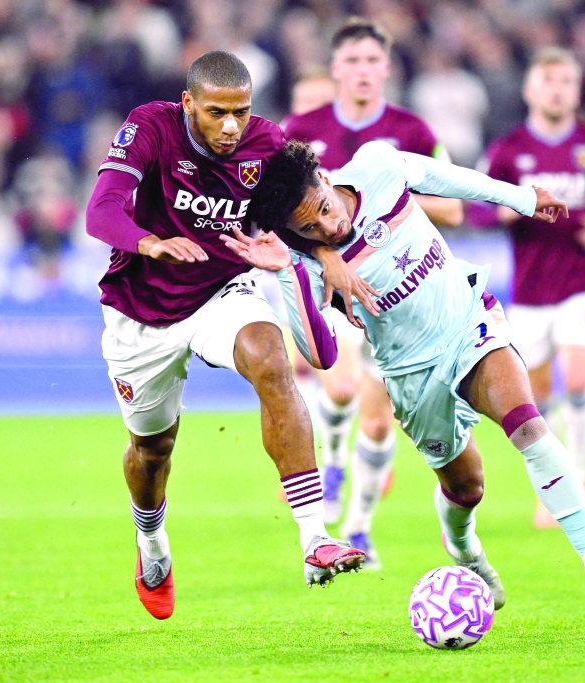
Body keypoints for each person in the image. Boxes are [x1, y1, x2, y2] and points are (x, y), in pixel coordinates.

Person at [224, 139, 585, 614]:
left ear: (324, 178)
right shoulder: (304, 261)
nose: (329, 226)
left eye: (324, 209)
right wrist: (288, 273)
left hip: (468, 324)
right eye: (310, 227)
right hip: (410, 373)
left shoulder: (377, 166)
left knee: (528, 425)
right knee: (468, 487)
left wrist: (522, 198)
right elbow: (320, 355)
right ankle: (464, 546)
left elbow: (451, 179)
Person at [84, 51, 376, 620]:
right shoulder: (150, 127)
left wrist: (324, 256)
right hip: (140, 312)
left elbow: (306, 211)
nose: (230, 127)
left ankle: (314, 537)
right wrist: (149, 242)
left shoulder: (267, 145)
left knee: (270, 358)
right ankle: (152, 544)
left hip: (223, 289)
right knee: (152, 449)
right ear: (189, 103)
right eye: (217, 112)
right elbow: (101, 211)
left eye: (240, 112)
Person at [281, 17, 463, 568]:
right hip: (336, 291)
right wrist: (326, 246)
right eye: (352, 62)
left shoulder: (410, 132)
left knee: (380, 419)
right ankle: (333, 457)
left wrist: (377, 192)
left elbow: (453, 208)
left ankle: (359, 528)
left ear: (387, 68)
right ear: (336, 69)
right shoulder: (300, 127)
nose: (362, 71)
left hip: (396, 292)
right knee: (336, 390)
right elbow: (280, 218)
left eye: (372, 61)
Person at [476, 47, 585, 528]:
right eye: (548, 80)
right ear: (530, 89)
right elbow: (479, 203)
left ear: (576, 89)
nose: (557, 89)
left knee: (581, 378)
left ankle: (579, 476)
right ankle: (555, 484)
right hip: (530, 291)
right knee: (537, 396)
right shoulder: (508, 150)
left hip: (583, 281)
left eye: (566, 81)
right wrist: (505, 209)